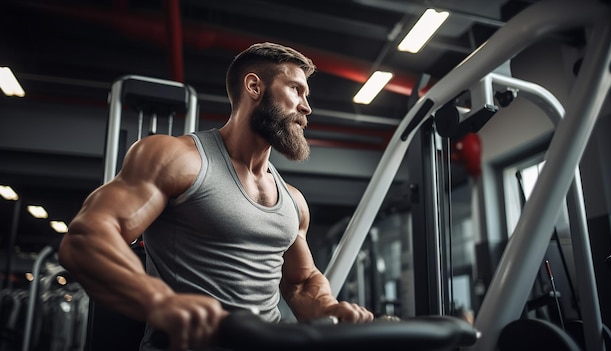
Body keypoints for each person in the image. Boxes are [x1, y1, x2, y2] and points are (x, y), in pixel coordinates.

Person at [58, 41, 374, 351]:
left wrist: (329, 309)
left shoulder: (293, 200)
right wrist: (159, 301)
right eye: (296, 90)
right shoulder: (179, 159)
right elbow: (86, 238)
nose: (307, 106)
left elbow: (300, 283)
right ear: (254, 86)